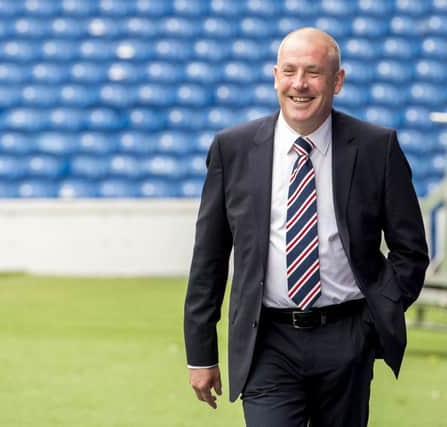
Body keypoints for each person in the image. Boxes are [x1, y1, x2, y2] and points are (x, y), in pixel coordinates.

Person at [183, 27, 429, 426]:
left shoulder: (375, 148)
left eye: (313, 72)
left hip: (347, 337)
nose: (300, 84)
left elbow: (411, 251)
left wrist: (371, 321)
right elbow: (208, 259)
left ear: (338, 81)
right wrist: (201, 353)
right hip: (267, 341)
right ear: (275, 76)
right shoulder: (234, 149)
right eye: (290, 71)